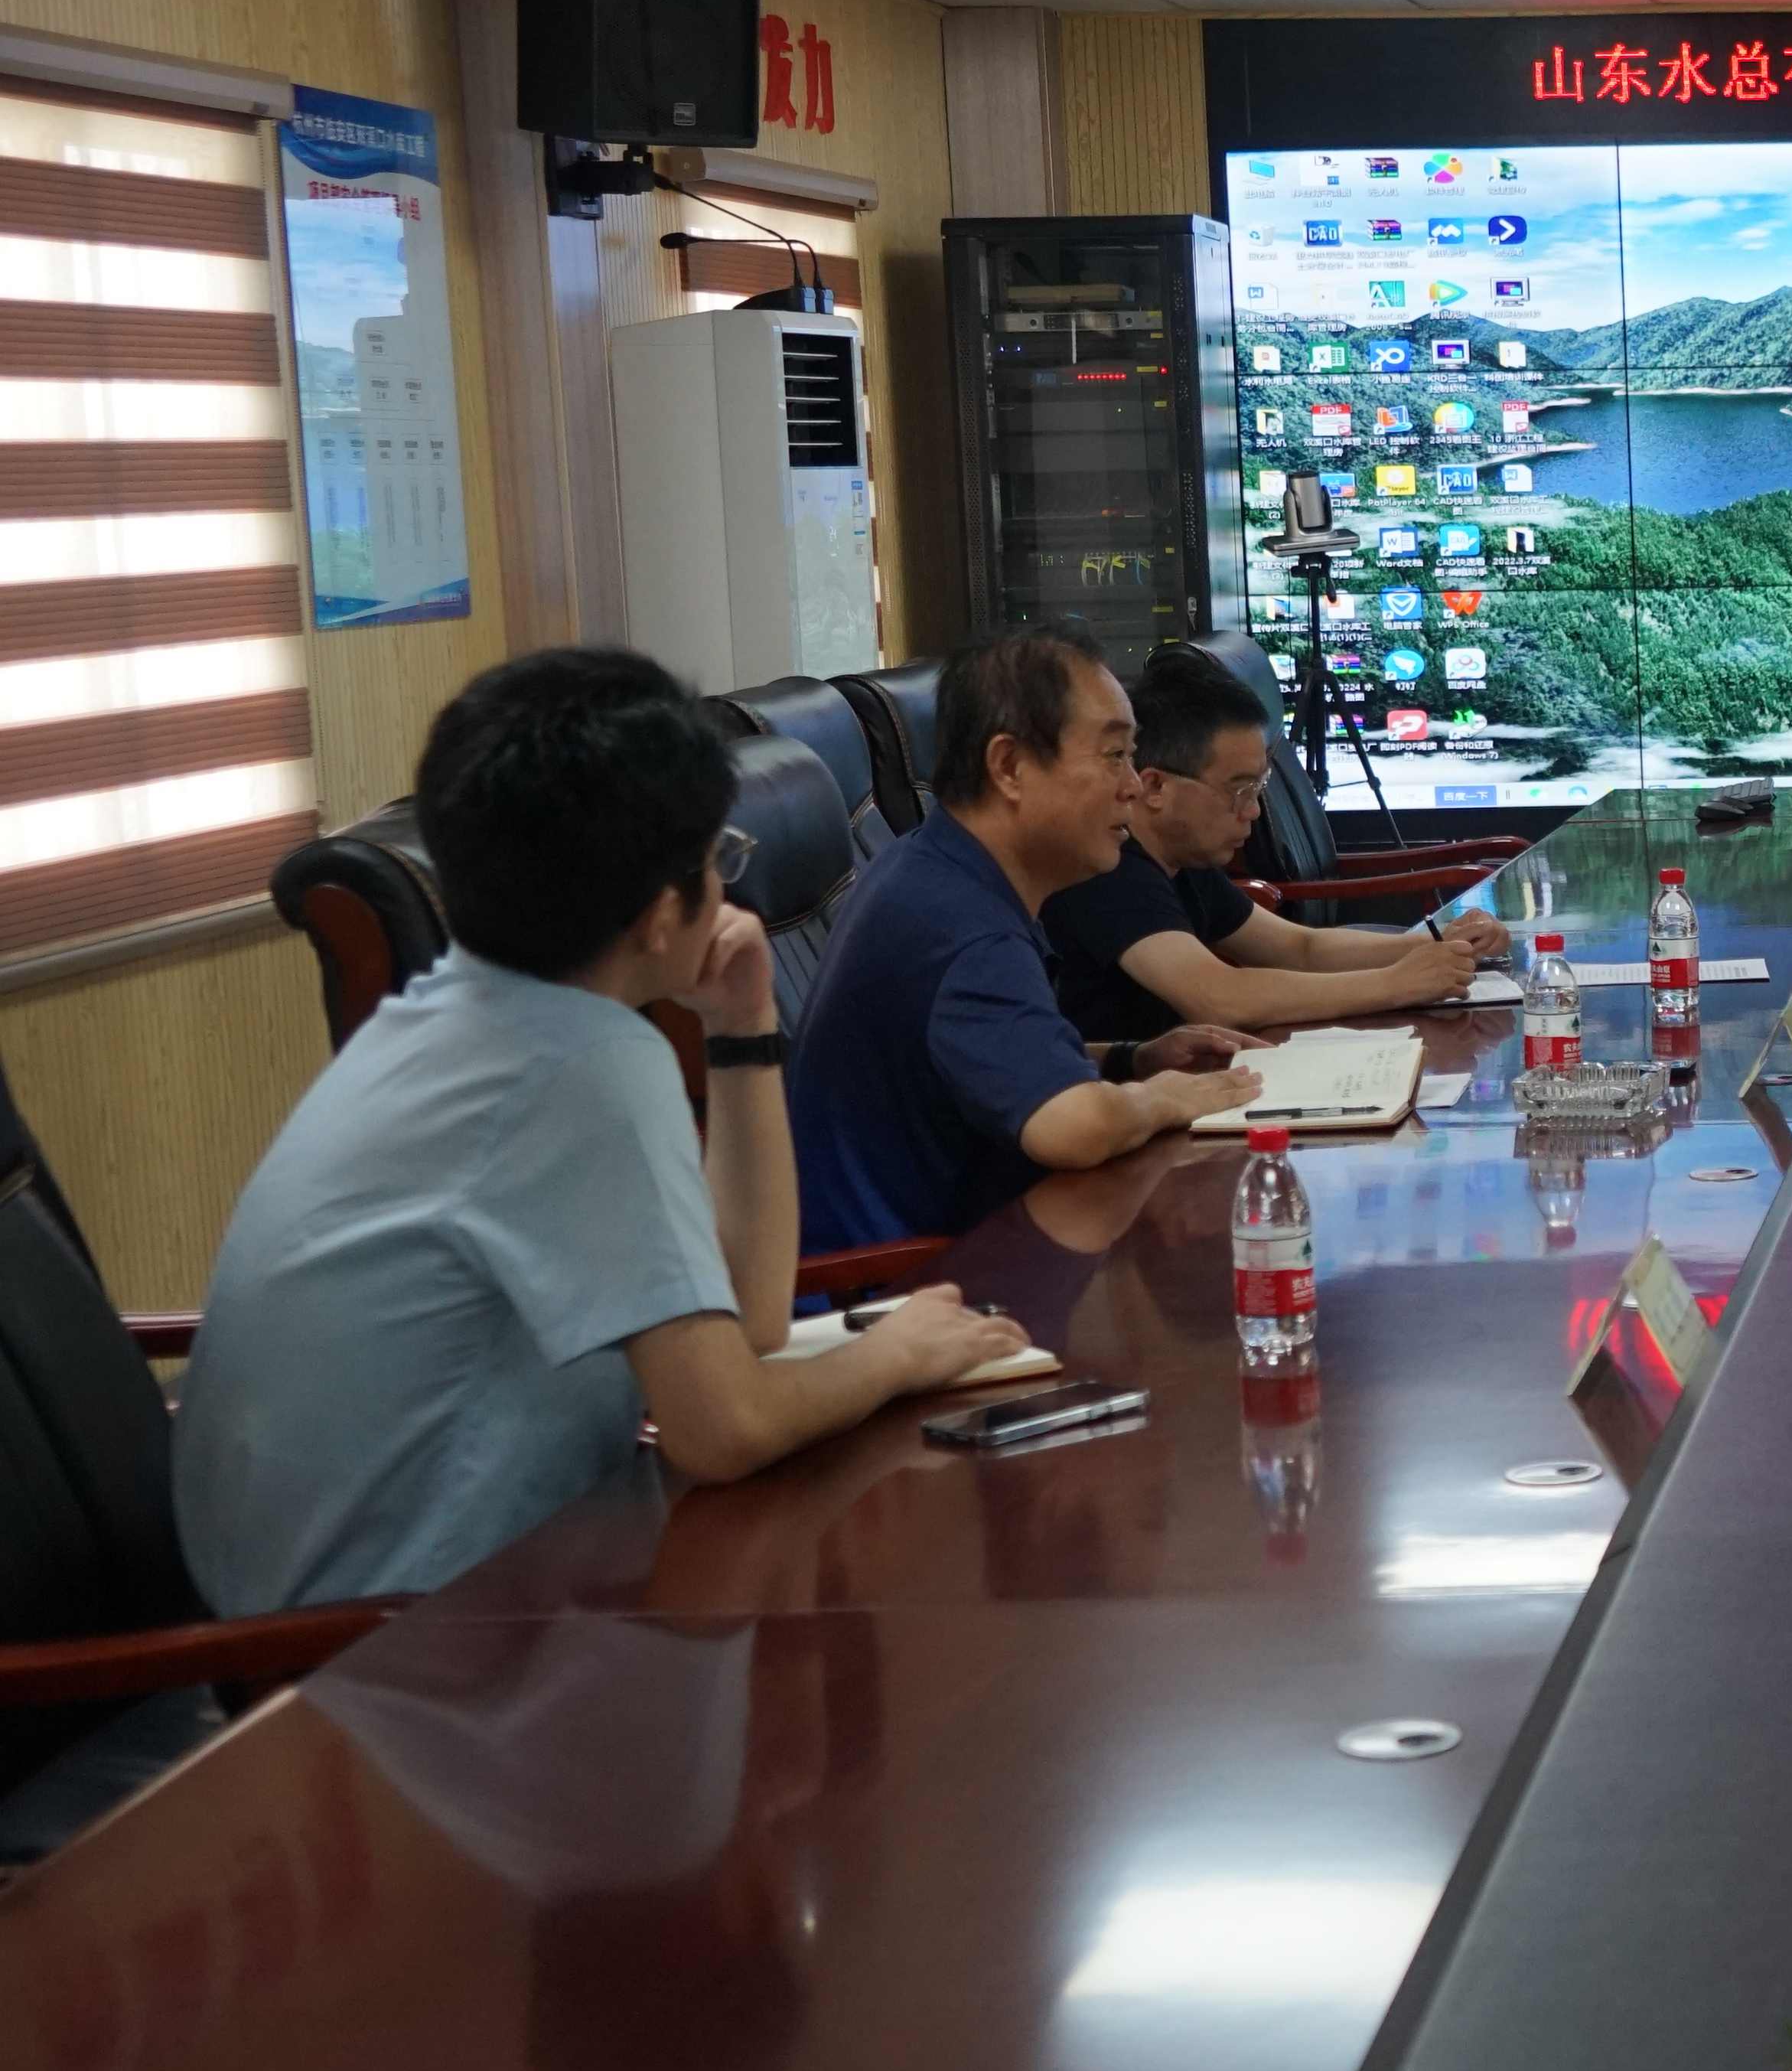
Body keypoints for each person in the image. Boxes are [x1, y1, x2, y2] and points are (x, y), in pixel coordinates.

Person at [173, 651, 1027, 1613]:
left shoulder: (460, 1015)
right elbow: (725, 1427)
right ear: (663, 915)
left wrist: (742, 1027)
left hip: (366, 1592)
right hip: (403, 1639)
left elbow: (743, 1318)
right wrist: (898, 1354)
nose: (729, 885)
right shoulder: (581, 1066)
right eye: (721, 857)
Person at [790, 625, 1267, 1252]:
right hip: (901, 1285)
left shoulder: (938, 866)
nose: (1132, 785)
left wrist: (1130, 1059)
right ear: (1010, 767)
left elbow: (981, 1060)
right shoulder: (961, 926)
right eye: (1114, 756)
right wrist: (1165, 1098)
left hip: (966, 1246)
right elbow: (1073, 1127)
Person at [1044, 643, 1509, 1040]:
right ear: (1155, 787)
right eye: (1239, 791)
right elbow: (1217, 996)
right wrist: (1396, 983)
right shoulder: (1111, 870)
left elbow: (1300, 948)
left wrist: (1442, 942)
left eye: (1258, 788)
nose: (1253, 811)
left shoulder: (1183, 861)